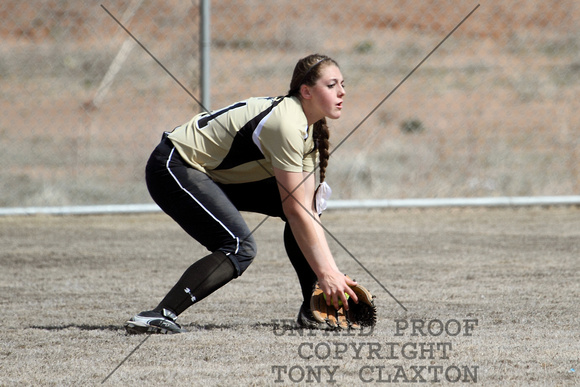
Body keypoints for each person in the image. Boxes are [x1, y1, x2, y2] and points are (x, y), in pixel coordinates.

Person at [124, 53, 358, 334]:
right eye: (332, 85)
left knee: (307, 207)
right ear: (306, 91)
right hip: (174, 166)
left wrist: (330, 274)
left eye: (342, 84)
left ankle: (312, 309)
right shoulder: (286, 124)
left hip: (210, 173)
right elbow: (296, 213)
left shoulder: (307, 129)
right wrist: (326, 274)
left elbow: (305, 210)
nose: (342, 91)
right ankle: (158, 315)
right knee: (239, 246)